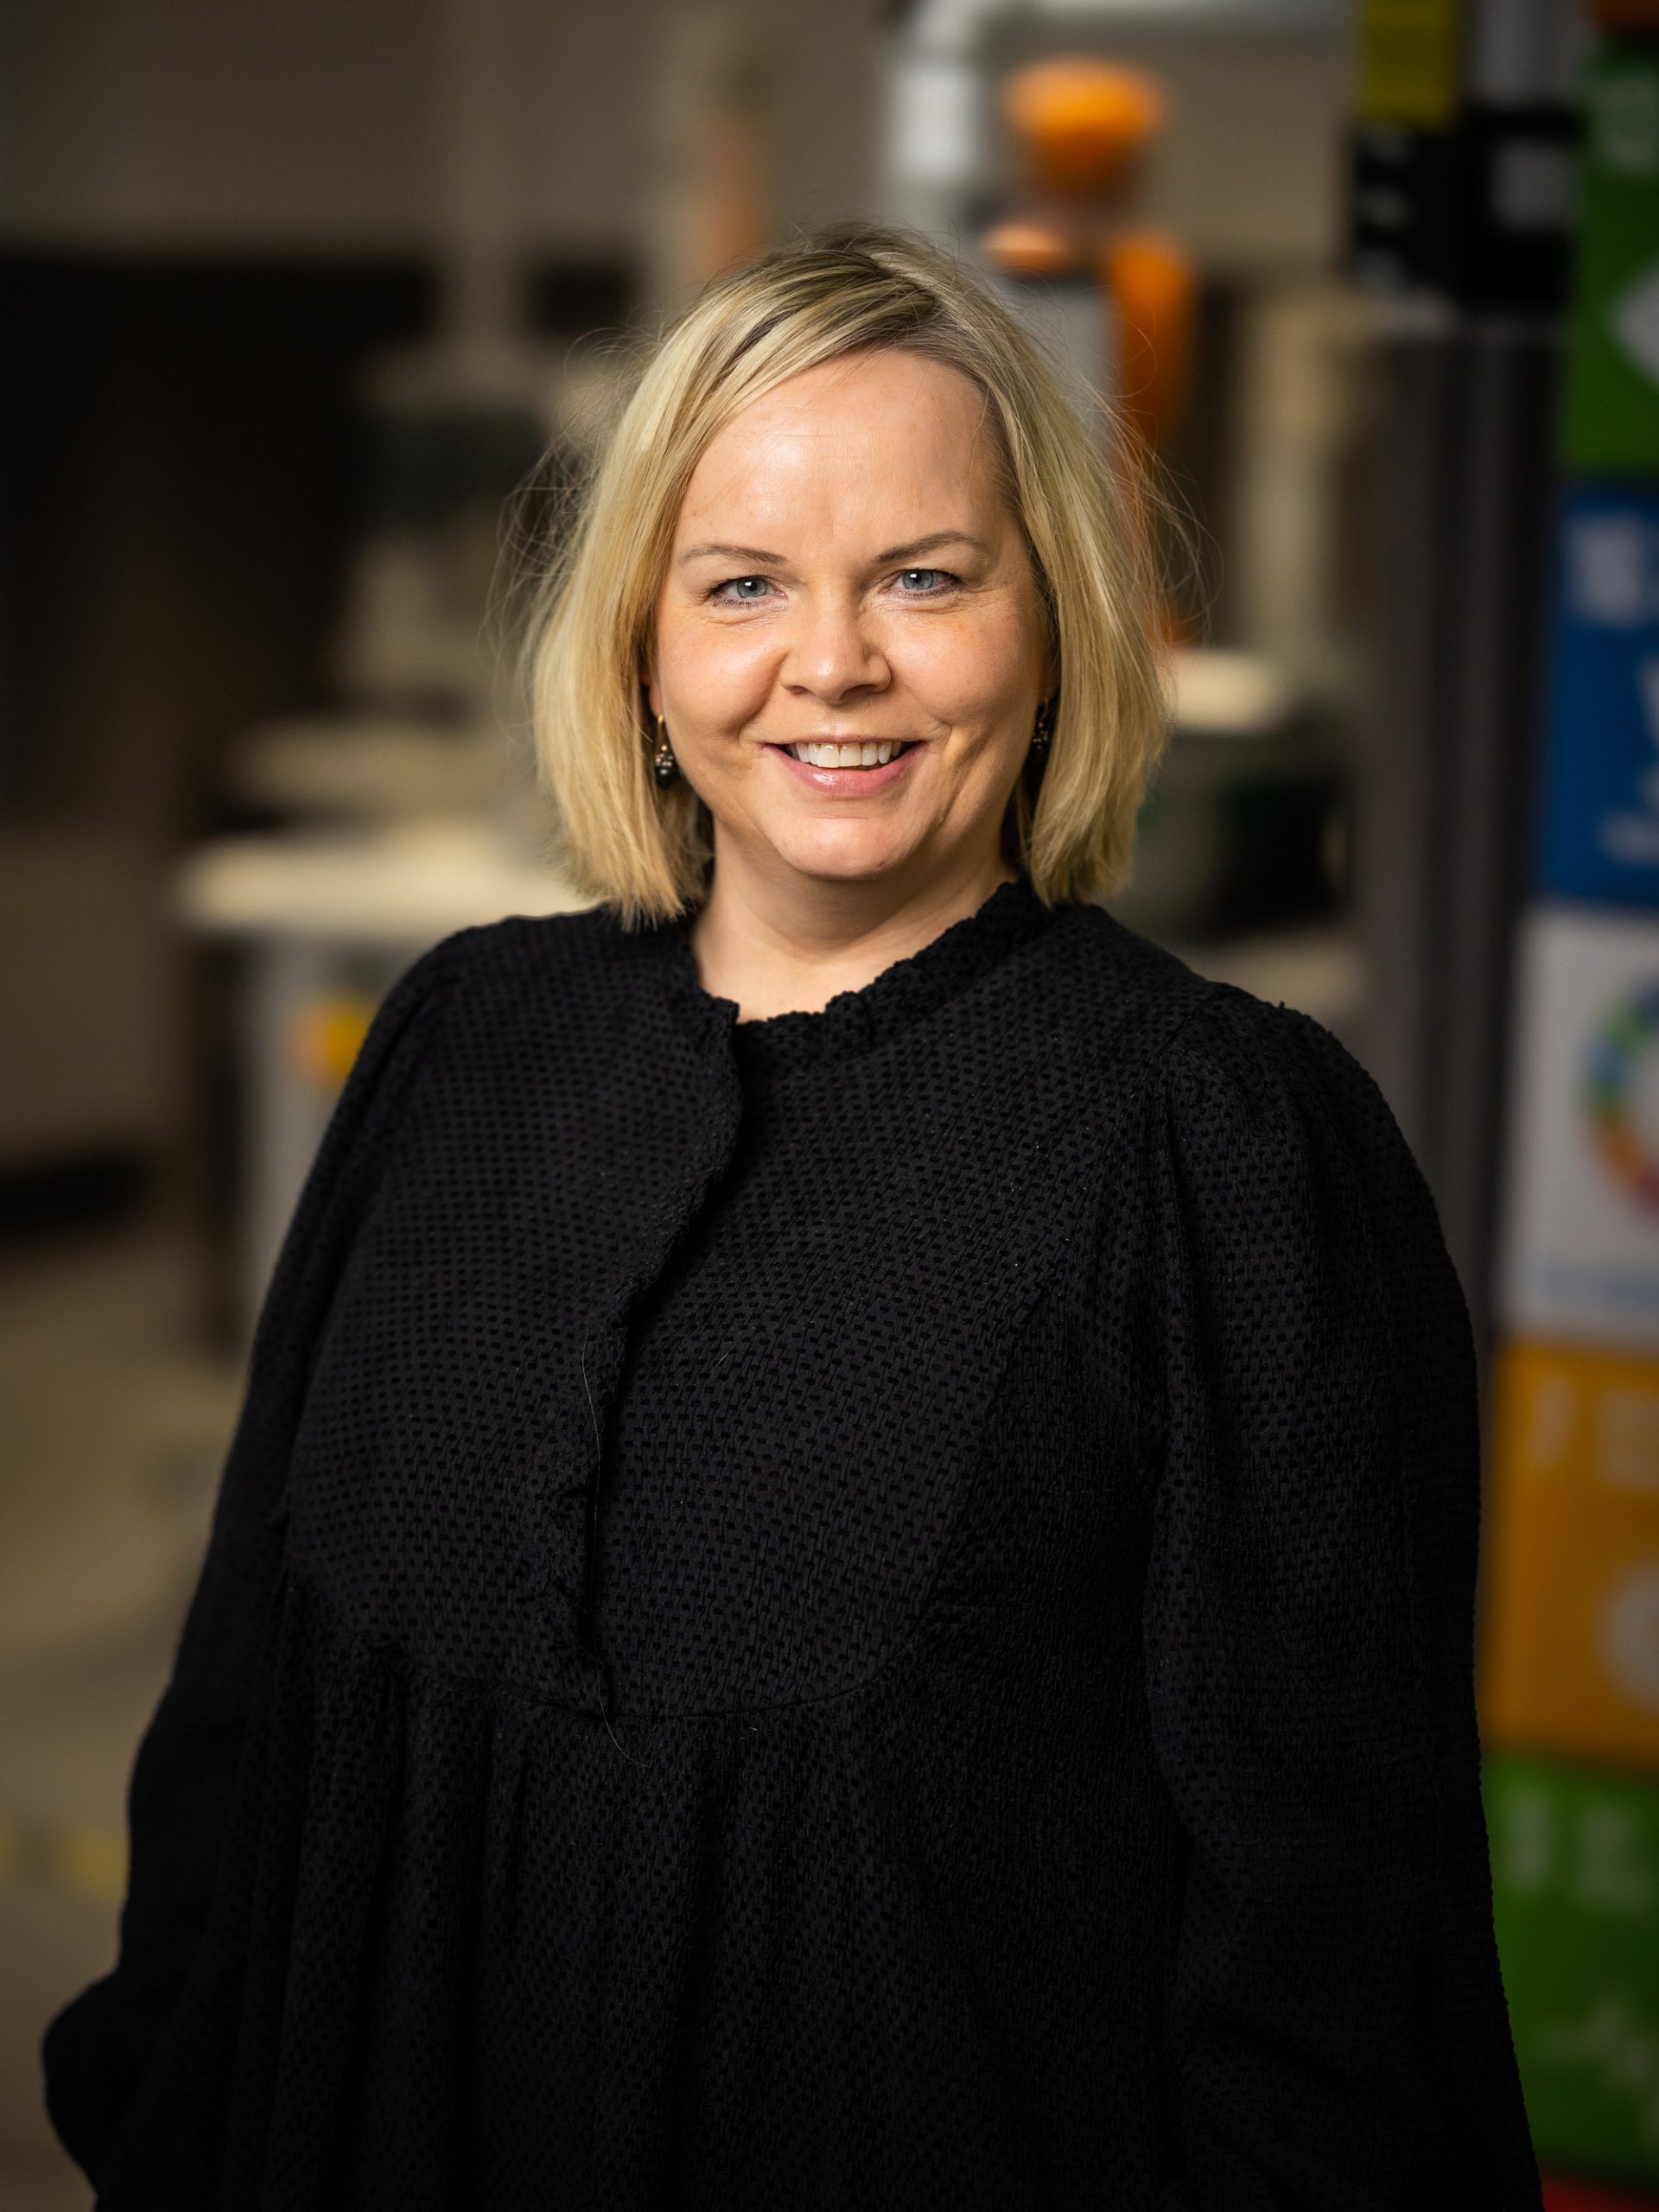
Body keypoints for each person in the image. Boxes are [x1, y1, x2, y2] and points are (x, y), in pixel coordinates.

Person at [41, 221, 1542, 2209]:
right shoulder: (461, 1042)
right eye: (743, 581)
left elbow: (1336, 1965)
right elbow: (239, 1723)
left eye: (926, 576)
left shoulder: (1219, 1145)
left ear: (1054, 624)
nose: (833, 662)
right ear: (643, 644)